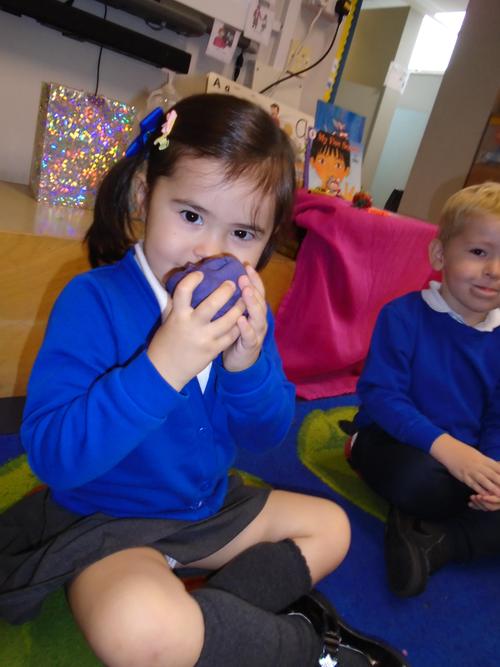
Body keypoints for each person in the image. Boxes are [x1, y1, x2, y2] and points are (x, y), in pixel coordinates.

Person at [0, 94, 403, 667]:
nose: (210, 252)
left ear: (268, 239)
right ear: (145, 195)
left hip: (206, 510)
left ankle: (219, 624)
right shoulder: (92, 301)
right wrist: (163, 367)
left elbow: (266, 433)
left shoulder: (243, 310)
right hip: (106, 524)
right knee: (135, 628)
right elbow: (53, 457)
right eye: (191, 216)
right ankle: (303, 646)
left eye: (243, 233)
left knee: (332, 528)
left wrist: (247, 365)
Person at [345, 181, 500, 598]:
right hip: (398, 443)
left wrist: (492, 472)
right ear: (439, 255)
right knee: (419, 480)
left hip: (466, 461)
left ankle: (439, 542)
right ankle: (447, 526)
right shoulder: (403, 316)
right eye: (479, 252)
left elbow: (497, 417)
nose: (494, 270)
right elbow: (382, 396)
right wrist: (447, 449)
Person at [309, 129, 351, 196]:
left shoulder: (340, 195)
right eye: (322, 161)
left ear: (347, 170)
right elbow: (311, 191)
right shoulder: (316, 190)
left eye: (338, 165)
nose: (329, 169)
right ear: (312, 161)